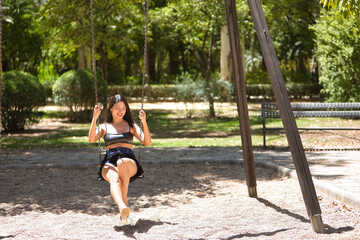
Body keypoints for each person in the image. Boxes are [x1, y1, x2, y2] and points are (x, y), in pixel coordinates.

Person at [88, 94, 151, 224]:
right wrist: (94, 118)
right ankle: (122, 206)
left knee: (121, 162)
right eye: (117, 107)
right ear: (110, 109)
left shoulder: (131, 125)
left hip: (128, 161)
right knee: (114, 178)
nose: (120, 110)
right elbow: (91, 139)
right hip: (109, 160)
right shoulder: (105, 126)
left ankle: (124, 202)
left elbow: (147, 142)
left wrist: (144, 122)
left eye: (123, 107)